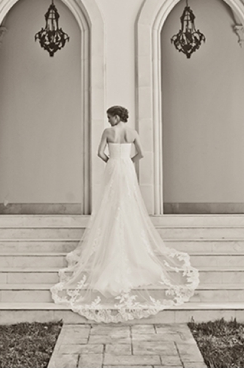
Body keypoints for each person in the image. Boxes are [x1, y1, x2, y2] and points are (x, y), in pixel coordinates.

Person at [51, 106, 199, 322]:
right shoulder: (132, 132)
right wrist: (128, 161)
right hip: (127, 169)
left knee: (111, 204)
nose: (108, 119)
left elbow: (100, 153)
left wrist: (111, 161)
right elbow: (142, 153)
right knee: (127, 203)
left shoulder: (108, 132)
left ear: (116, 116)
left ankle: (111, 243)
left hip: (113, 167)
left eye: (110, 116)